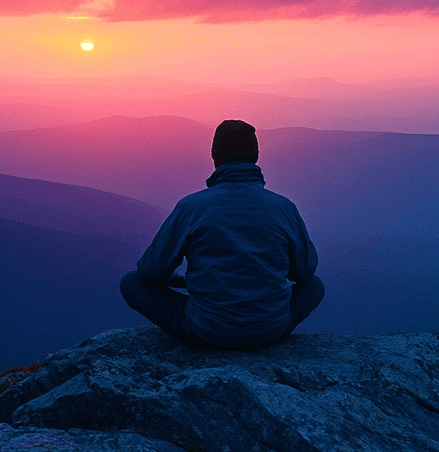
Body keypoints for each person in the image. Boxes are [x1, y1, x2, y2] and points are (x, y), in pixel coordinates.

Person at [120, 119, 324, 349]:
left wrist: (185, 282)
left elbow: (151, 272)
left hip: (206, 331)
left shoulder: (192, 207)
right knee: (315, 286)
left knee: (131, 282)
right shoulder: (283, 207)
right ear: (255, 156)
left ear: (214, 156)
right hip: (270, 329)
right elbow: (305, 272)